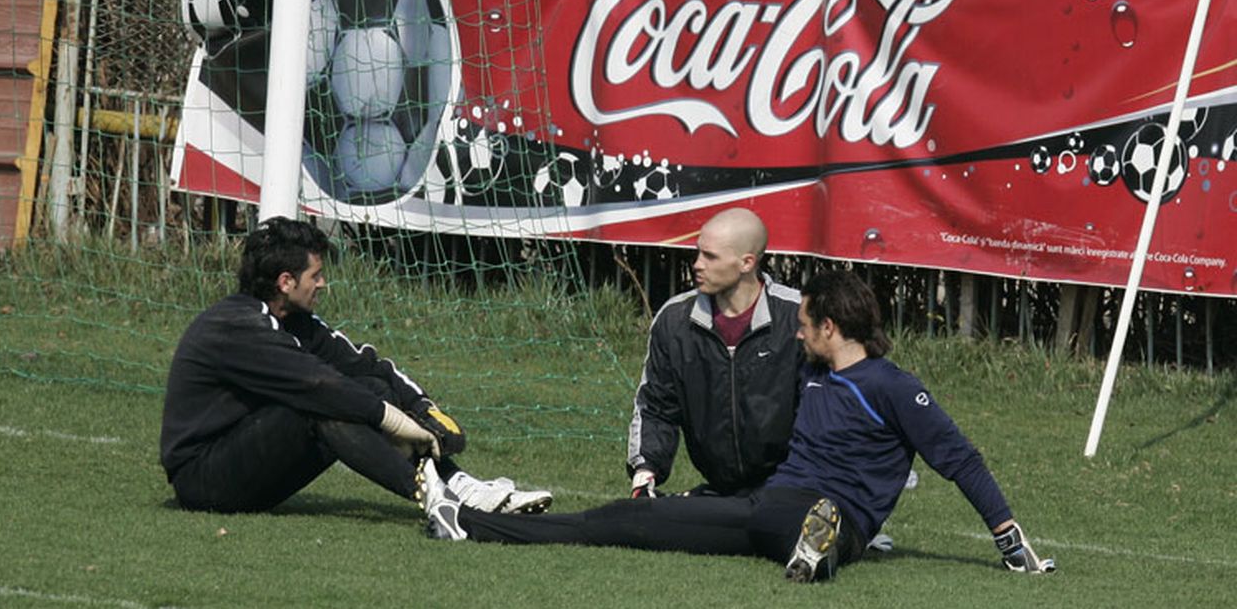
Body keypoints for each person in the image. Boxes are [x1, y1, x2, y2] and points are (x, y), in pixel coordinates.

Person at [417, 270, 1055, 582]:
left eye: (805, 323)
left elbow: (961, 460)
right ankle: (465, 522)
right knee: (620, 522)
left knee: (809, 518)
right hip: (761, 507)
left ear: (829, 328)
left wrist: (1009, 541)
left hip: (842, 515)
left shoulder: (893, 387)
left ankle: (819, 546)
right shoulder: (807, 374)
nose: (796, 330)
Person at [159, 216, 551, 515]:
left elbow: (367, 366)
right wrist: (396, 422)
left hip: (246, 462)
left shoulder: (296, 323)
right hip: (203, 478)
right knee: (324, 404)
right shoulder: (237, 325)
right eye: (316, 275)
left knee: (367, 387)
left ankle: (459, 486)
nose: (323, 284)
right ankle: (436, 499)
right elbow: (320, 386)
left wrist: (423, 409)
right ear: (285, 281)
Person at [626, 207, 803, 499]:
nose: (697, 264)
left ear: (747, 263)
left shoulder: (798, 317)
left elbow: (825, 412)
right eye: (698, 254)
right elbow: (656, 406)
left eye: (710, 257)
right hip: (719, 491)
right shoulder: (674, 321)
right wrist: (645, 471)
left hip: (794, 487)